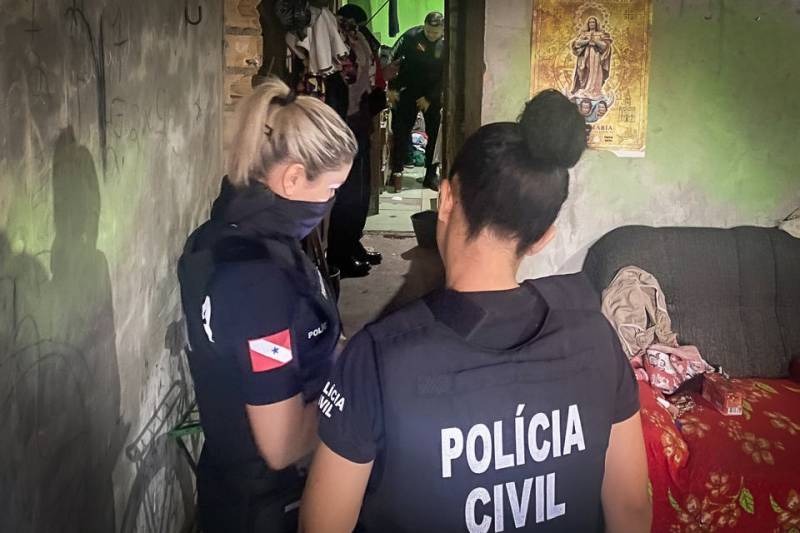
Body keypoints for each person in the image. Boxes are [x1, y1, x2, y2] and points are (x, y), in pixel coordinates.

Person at [299, 90, 651, 532]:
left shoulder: (376, 356)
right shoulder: (595, 336)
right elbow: (632, 510)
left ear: (446, 199)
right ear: (543, 237)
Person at [177, 77, 357, 533]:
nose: (333, 200)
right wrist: (357, 399)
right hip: (266, 506)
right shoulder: (256, 280)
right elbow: (280, 445)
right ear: (294, 178)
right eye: (332, 188)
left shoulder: (238, 234)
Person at [326, 5, 394, 278]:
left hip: (360, 121)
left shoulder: (360, 40)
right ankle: (340, 254)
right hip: (345, 125)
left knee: (362, 190)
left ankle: (353, 244)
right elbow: (345, 82)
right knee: (349, 193)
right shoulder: (338, 41)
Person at [388, 11, 445, 192]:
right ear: (424, 26)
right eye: (428, 31)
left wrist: (430, 97)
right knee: (401, 131)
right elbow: (392, 59)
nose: (431, 36)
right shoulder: (411, 36)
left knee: (434, 136)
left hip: (432, 96)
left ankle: (430, 174)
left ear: (442, 30)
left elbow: (448, 74)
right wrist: (392, 87)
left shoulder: (447, 44)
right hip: (408, 91)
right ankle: (397, 172)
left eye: (435, 33)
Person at [570, 16, 613, 100]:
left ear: (596, 24)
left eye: (593, 22)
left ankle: (594, 91)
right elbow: (576, 43)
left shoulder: (601, 34)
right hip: (585, 57)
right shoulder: (584, 34)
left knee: (595, 72)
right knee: (584, 72)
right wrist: (587, 41)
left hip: (596, 57)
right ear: (587, 24)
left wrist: (595, 42)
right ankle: (585, 89)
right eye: (590, 22)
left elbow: (605, 46)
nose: (592, 24)